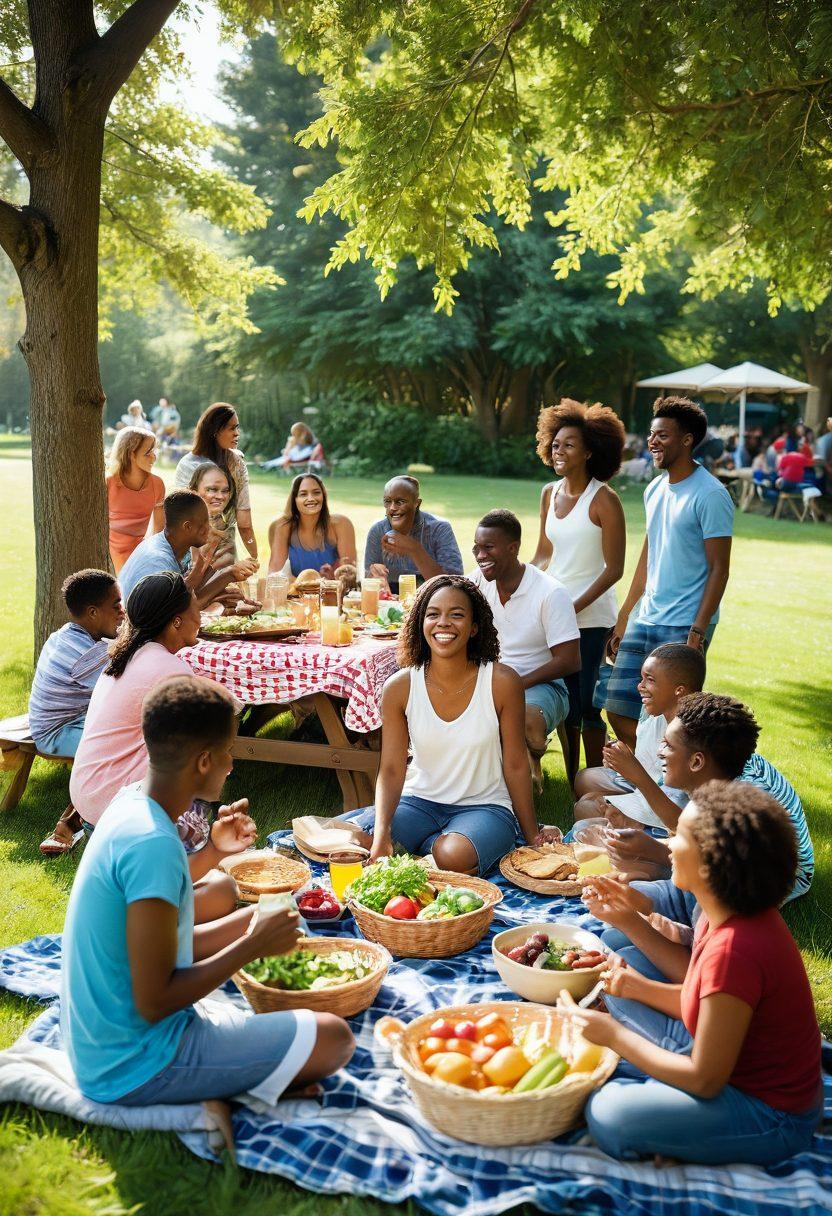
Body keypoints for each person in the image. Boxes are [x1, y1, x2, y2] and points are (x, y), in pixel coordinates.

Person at [62, 674, 354, 1106]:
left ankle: (248, 1074)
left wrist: (218, 858)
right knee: (333, 1038)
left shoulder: (131, 805)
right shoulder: (153, 845)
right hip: (134, 1064)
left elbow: (169, 944)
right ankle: (231, 1086)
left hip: (102, 1044)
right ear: (203, 761)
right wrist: (251, 945)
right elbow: (155, 1000)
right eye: (228, 752)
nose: (231, 764)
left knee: (250, 922)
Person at [562, 782, 822, 1167]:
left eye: (678, 837)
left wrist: (613, 1035)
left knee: (608, 1114)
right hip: (731, 1064)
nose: (667, 845)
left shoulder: (736, 949)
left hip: (773, 1115)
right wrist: (633, 983)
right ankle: (676, 1106)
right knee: (618, 977)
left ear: (708, 862)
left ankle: (692, 1135)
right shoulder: (721, 909)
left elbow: (705, 1079)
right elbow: (699, 997)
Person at [68, 572, 244, 921]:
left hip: (89, 797)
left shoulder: (129, 652)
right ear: (176, 621)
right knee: (224, 891)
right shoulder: (166, 666)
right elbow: (214, 724)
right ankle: (178, 887)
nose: (201, 616)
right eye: (197, 609)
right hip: (115, 804)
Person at [343, 575, 537, 875]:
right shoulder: (400, 686)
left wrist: (532, 835)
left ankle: (440, 847)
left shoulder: (501, 682)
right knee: (355, 842)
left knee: (453, 855)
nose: (443, 623)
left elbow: (515, 764)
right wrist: (381, 835)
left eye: (456, 615)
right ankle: (430, 846)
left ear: (474, 628)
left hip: (484, 807)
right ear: (421, 623)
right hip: (418, 802)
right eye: (433, 614)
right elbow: (392, 769)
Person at [604, 397, 734, 749]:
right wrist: (625, 613)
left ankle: (671, 788)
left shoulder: (711, 495)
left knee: (673, 720)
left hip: (684, 623)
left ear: (687, 440)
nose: (652, 442)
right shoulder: (654, 489)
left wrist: (699, 628)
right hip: (646, 617)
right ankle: (650, 778)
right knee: (617, 707)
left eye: (662, 435)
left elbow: (719, 568)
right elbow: (649, 553)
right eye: (651, 434)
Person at [531, 399, 626, 782]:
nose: (559, 449)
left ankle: (595, 781)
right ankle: (572, 780)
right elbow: (542, 554)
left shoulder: (604, 499)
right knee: (563, 698)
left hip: (590, 616)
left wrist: (571, 606)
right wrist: (521, 586)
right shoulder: (548, 493)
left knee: (586, 703)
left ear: (589, 452)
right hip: (553, 611)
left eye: (569, 444)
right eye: (555, 443)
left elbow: (614, 569)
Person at [469, 510, 581, 790]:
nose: (480, 554)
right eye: (477, 547)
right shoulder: (477, 582)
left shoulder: (550, 592)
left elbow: (569, 660)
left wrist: (516, 683)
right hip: (488, 679)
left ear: (513, 548)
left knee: (525, 716)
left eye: (488, 547)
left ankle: (524, 772)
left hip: (542, 684)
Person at [30, 571, 125, 857]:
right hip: (55, 731)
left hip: (73, 717)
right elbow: (121, 688)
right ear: (93, 613)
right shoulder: (84, 654)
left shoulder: (75, 635)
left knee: (128, 734)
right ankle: (71, 823)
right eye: (116, 605)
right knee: (120, 747)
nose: (122, 612)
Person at [573, 642, 705, 831]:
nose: (640, 686)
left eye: (649, 680)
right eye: (642, 678)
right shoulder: (653, 713)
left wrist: (632, 770)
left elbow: (679, 819)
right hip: (649, 790)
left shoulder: (692, 736)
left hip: (670, 816)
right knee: (585, 781)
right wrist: (622, 762)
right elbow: (650, 765)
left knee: (585, 810)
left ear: (679, 690)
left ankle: (638, 834)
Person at [119, 490, 245, 607]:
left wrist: (217, 589)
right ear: (187, 527)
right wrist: (228, 575)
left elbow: (182, 594)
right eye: (205, 522)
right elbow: (175, 612)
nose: (210, 528)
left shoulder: (163, 543)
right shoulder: (159, 562)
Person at [174, 403, 257, 562]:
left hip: (191, 551)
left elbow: (180, 518)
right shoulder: (236, 463)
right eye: (231, 428)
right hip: (212, 553)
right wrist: (254, 556)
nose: (237, 433)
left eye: (237, 428)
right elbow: (244, 524)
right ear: (215, 431)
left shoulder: (187, 464)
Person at [364, 475, 463, 593]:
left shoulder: (439, 530)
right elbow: (370, 582)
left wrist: (414, 549)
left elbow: (454, 585)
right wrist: (375, 576)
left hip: (432, 603)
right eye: (387, 501)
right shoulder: (378, 531)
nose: (392, 508)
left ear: (417, 503)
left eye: (400, 502)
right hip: (391, 605)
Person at [268, 473, 356, 578]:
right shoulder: (283, 527)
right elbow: (274, 574)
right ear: (294, 499)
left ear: (323, 495)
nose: (311, 498)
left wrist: (332, 575)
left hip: (333, 590)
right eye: (303, 494)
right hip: (298, 590)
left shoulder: (341, 524)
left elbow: (349, 573)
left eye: (316, 493)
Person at [106, 427, 165, 572]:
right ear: (131, 454)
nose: (154, 457)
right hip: (110, 554)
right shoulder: (109, 483)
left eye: (154, 451)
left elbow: (159, 532)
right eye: (148, 453)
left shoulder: (157, 484)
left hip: (140, 554)